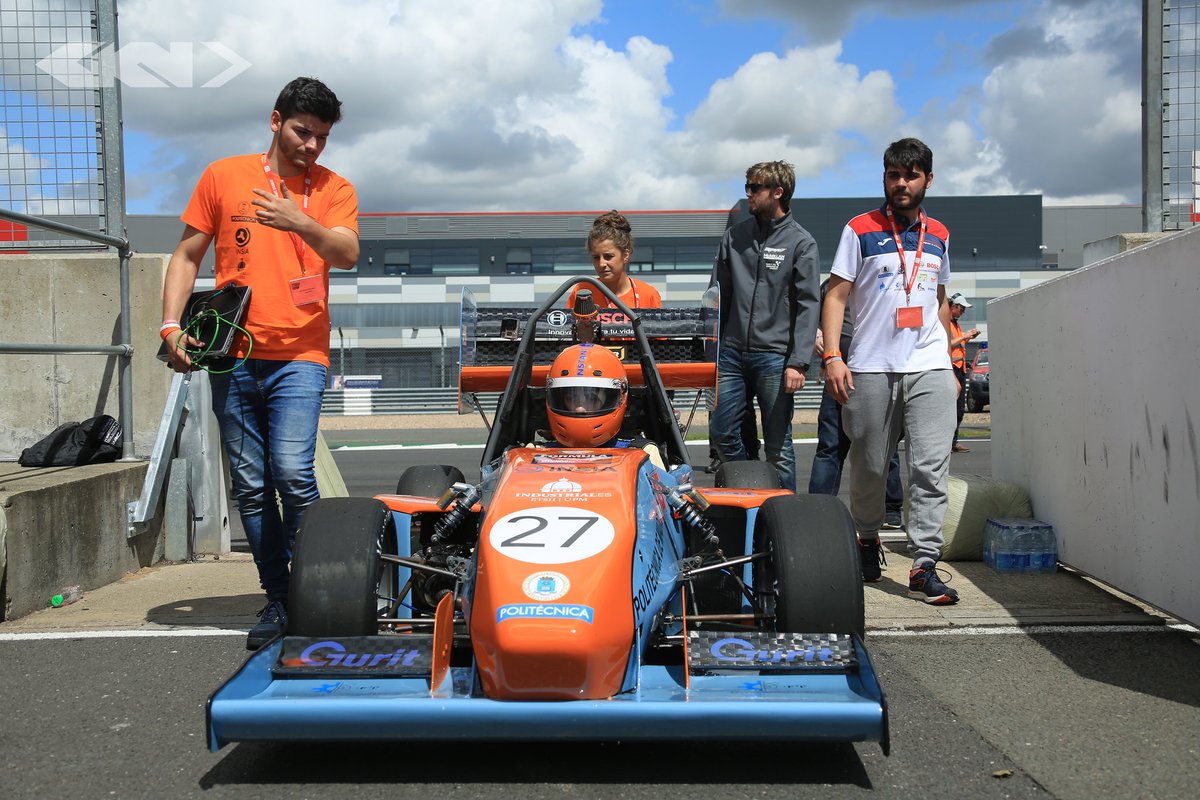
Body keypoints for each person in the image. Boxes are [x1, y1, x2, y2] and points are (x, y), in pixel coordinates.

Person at [160, 77, 360, 648]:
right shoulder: (224, 175)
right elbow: (185, 254)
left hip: (300, 352)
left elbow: (345, 253)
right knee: (250, 485)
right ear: (276, 121)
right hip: (234, 355)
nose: (312, 146)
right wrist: (171, 324)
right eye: (303, 132)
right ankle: (278, 596)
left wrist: (299, 220)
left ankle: (319, 590)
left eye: (322, 137)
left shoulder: (333, 189)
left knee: (293, 473)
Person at [821, 137, 960, 605]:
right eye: (893, 175)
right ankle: (865, 536)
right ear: (885, 178)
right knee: (871, 465)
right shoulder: (859, 229)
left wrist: (951, 364)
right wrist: (833, 358)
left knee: (930, 468)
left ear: (928, 179)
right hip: (871, 366)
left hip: (929, 365)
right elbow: (836, 295)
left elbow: (938, 299)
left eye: (911, 175)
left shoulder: (939, 233)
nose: (901, 183)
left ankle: (924, 564)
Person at [708, 161, 820, 491]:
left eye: (755, 188)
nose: (748, 194)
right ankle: (752, 486)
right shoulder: (734, 237)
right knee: (723, 433)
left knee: (779, 448)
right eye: (748, 186)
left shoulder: (802, 243)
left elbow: (808, 304)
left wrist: (799, 361)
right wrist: (711, 350)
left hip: (775, 358)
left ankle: (784, 515)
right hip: (730, 354)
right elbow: (717, 295)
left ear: (778, 192)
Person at [809, 280, 905, 541]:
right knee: (830, 445)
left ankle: (892, 507)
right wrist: (820, 342)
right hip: (841, 369)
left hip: (880, 371)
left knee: (884, 446)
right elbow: (816, 319)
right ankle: (820, 510)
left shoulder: (889, 279)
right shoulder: (831, 285)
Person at [566, 210, 661, 309]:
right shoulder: (582, 293)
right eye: (596, 257)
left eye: (608, 257)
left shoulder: (648, 294)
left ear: (625, 255)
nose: (601, 264)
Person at [948, 292, 980, 453]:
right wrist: (964, 336)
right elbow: (948, 345)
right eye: (961, 308)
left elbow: (957, 344)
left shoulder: (955, 323)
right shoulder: (945, 323)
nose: (963, 312)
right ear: (953, 307)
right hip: (951, 369)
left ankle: (953, 442)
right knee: (950, 409)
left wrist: (967, 337)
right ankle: (948, 443)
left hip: (960, 369)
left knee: (959, 410)